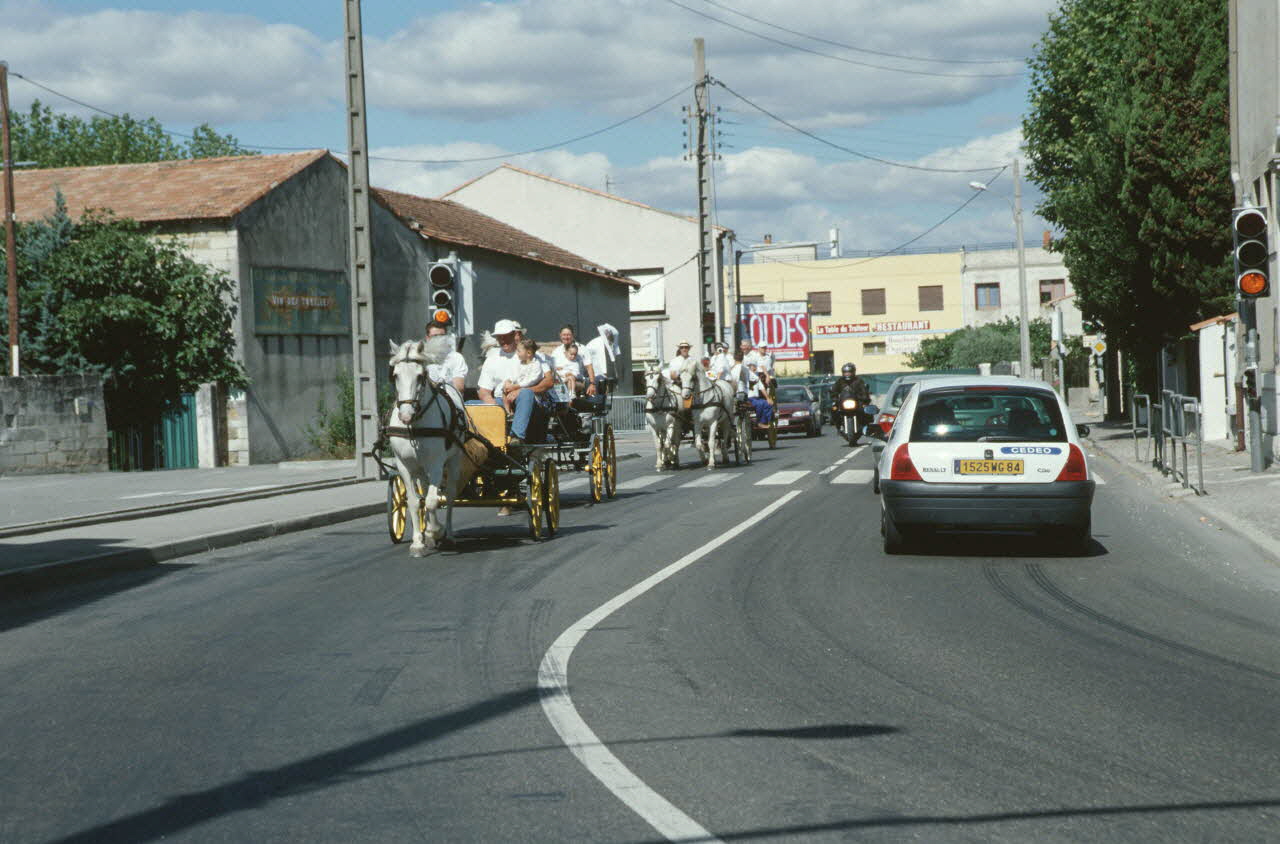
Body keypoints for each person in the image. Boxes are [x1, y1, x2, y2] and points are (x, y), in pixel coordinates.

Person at [476, 319, 554, 446]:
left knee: (526, 394)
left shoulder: (531, 354)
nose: (503, 340)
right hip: (501, 400)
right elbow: (484, 391)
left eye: (506, 336)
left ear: (514, 335)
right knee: (469, 405)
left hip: (529, 402)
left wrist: (521, 391)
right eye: (499, 337)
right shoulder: (491, 359)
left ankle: (516, 437)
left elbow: (549, 382)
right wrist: (493, 406)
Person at [424, 322, 467, 395]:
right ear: (427, 338)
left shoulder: (456, 357)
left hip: (449, 399)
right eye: (435, 336)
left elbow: (459, 387)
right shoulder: (422, 358)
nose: (439, 339)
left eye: (442, 336)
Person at [581, 323, 620, 397]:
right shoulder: (598, 343)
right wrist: (604, 375)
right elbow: (601, 361)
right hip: (594, 374)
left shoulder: (602, 343)